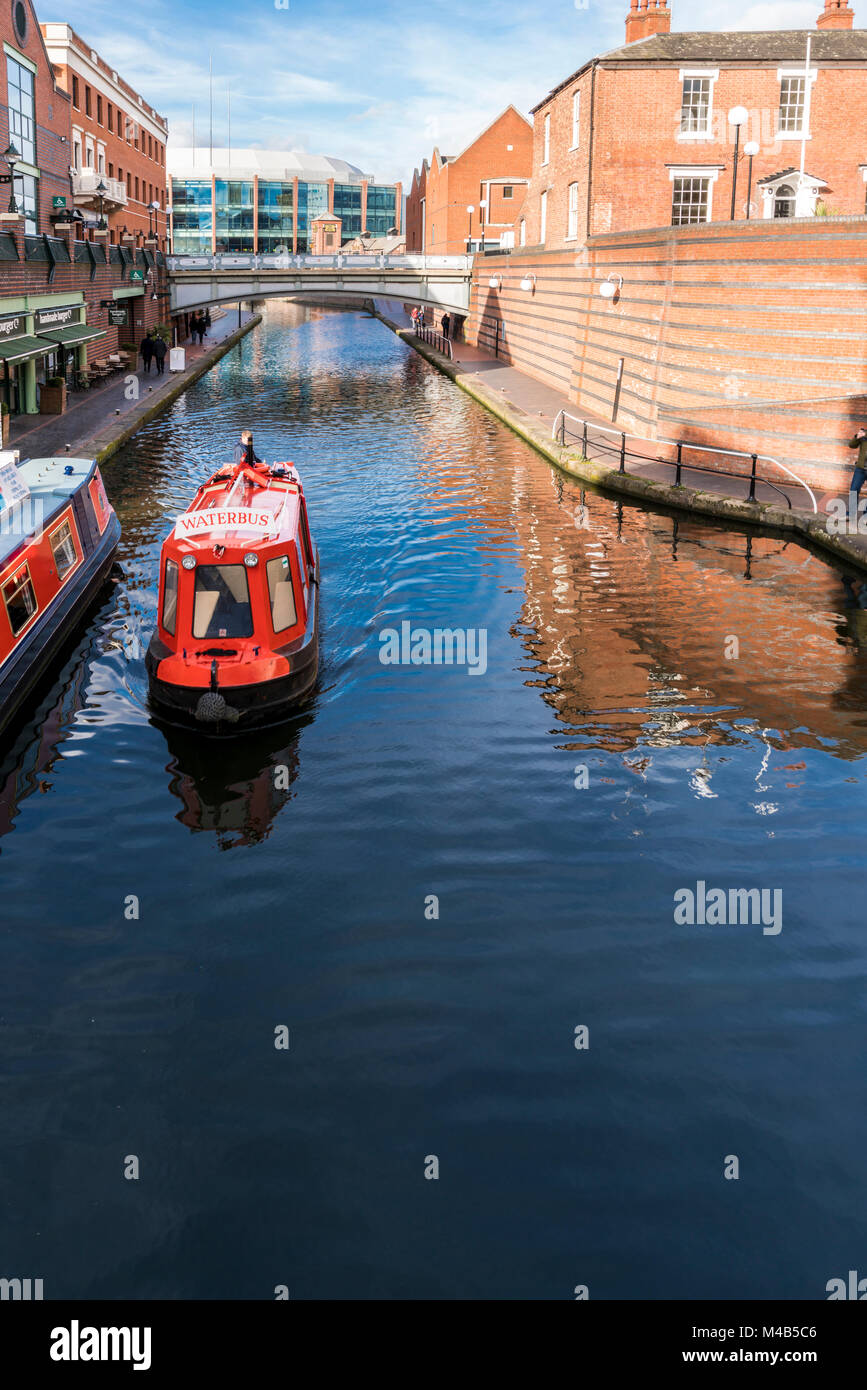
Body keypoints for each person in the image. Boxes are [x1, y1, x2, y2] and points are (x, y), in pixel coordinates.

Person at [848, 426, 867, 510]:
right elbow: (852, 445)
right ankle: (851, 514)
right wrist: (857, 437)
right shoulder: (863, 435)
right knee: (853, 491)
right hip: (860, 469)